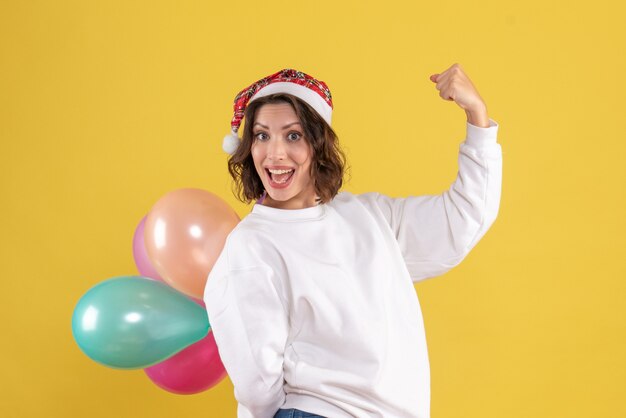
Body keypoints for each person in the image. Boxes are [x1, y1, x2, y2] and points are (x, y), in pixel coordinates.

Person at [203, 66, 502, 418]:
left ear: (318, 144)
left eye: (293, 136)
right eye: (261, 136)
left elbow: (461, 220)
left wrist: (477, 119)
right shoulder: (252, 246)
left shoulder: (369, 216)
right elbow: (257, 382)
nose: (275, 154)